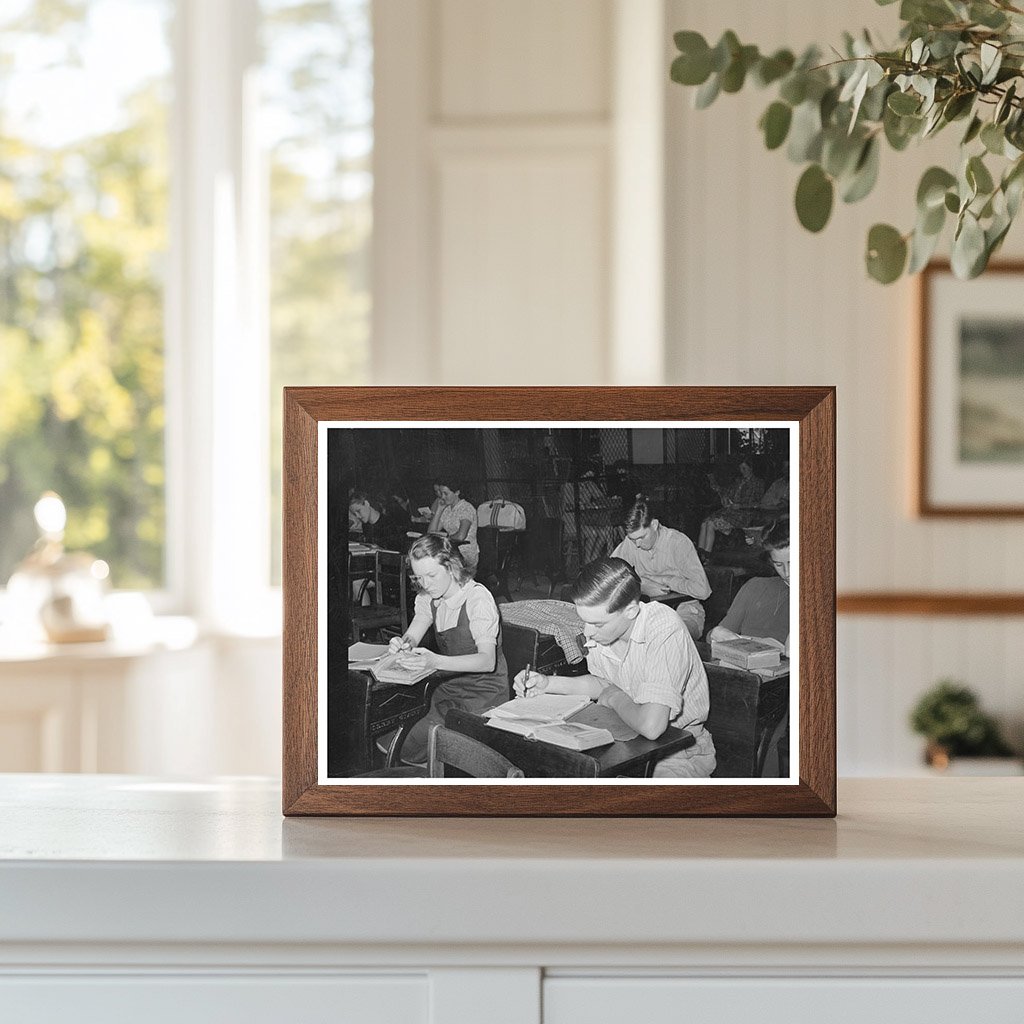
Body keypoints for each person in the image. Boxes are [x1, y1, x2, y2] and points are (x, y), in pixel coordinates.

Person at [513, 557, 715, 778]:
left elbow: (651, 725)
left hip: (676, 753)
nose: (587, 632)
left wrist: (615, 697)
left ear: (630, 611)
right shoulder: (605, 633)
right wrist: (547, 683)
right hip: (625, 740)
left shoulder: (664, 627)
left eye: (597, 624)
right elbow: (601, 683)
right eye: (584, 621)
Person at [384, 535, 509, 766]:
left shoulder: (477, 598)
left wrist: (434, 662)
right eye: (418, 577)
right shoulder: (429, 596)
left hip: (483, 695)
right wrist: (404, 644)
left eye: (431, 575)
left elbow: (487, 661)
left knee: (405, 744)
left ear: (451, 567)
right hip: (447, 689)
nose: (425, 584)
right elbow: (414, 632)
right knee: (393, 733)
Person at [610, 495, 710, 640]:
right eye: (633, 539)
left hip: (684, 610)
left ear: (655, 524)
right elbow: (610, 575)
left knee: (669, 637)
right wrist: (642, 584)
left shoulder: (678, 543)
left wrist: (666, 580)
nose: (637, 544)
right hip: (647, 612)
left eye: (641, 537)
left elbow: (703, 590)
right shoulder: (631, 543)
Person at [706, 519, 791, 648]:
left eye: (792, 562)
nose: (787, 572)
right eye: (778, 564)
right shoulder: (755, 586)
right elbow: (719, 632)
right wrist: (714, 634)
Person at [697, 456, 765, 557]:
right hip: (729, 512)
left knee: (711, 524)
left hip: (744, 514)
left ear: (751, 468)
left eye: (744, 468)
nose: (742, 471)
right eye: (741, 468)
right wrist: (724, 498)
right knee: (704, 523)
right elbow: (725, 492)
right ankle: (699, 555)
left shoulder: (758, 483)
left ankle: (706, 556)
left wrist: (740, 506)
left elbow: (758, 503)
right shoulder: (738, 481)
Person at [427, 478, 479, 570]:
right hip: (450, 551)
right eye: (441, 493)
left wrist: (445, 537)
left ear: (457, 492)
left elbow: (461, 536)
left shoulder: (466, 508)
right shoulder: (447, 509)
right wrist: (439, 509)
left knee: (435, 562)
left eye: (446, 493)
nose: (442, 497)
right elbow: (431, 532)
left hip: (465, 553)